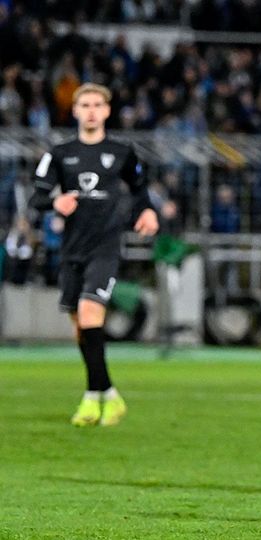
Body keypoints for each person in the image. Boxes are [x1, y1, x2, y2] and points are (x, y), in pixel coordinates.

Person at [29, 83, 159, 427]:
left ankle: (90, 398)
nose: (90, 111)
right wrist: (55, 201)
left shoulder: (122, 152)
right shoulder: (59, 154)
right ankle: (110, 395)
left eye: (97, 105)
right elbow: (36, 197)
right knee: (81, 328)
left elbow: (140, 190)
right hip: (72, 249)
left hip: (106, 247)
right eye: (84, 105)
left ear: (107, 111)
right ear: (75, 111)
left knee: (90, 313)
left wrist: (147, 211)